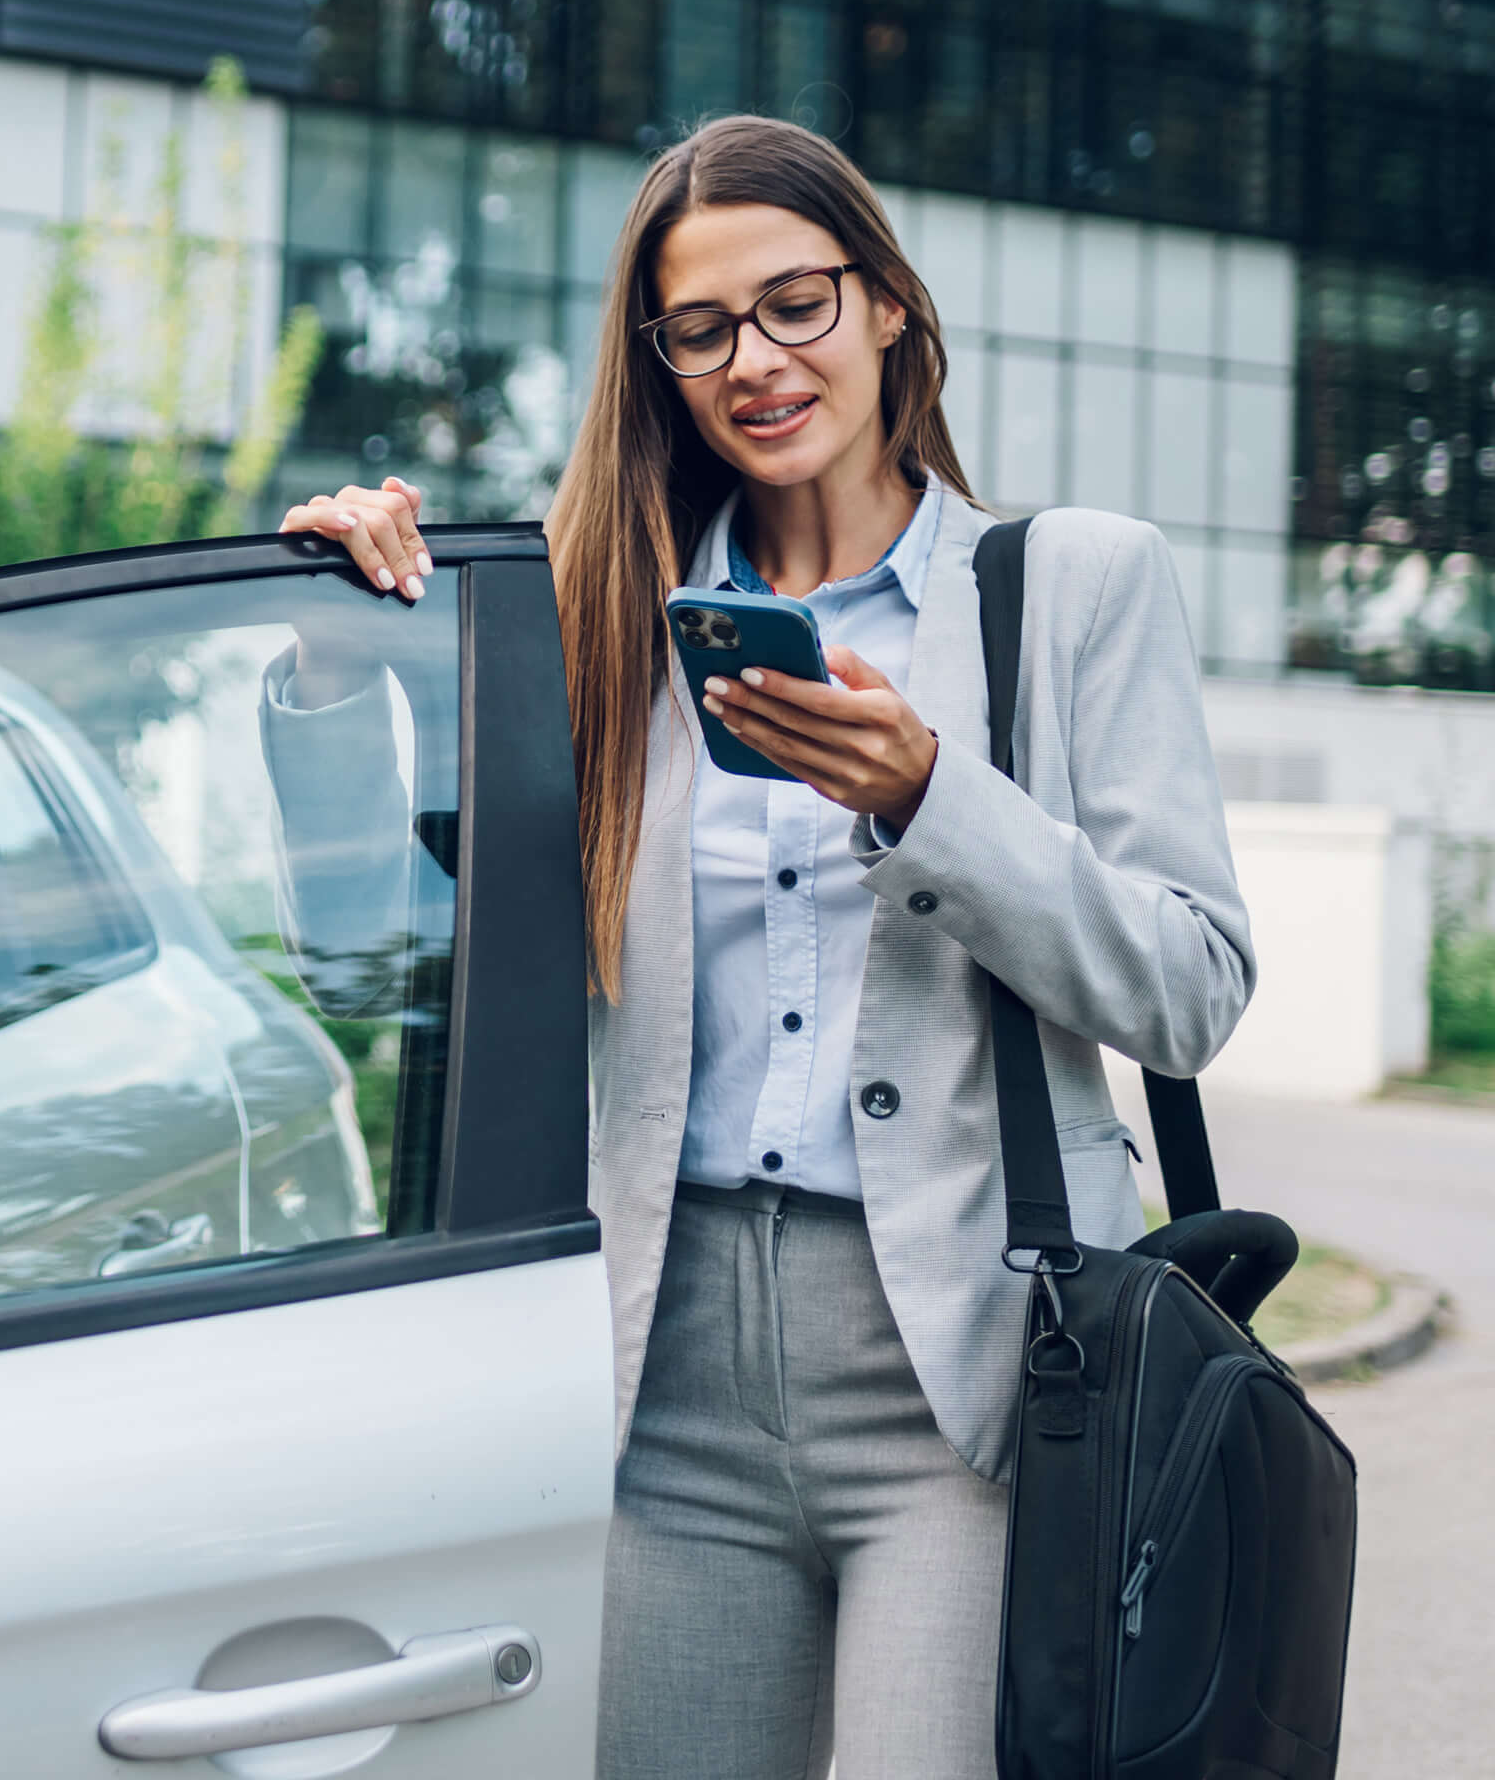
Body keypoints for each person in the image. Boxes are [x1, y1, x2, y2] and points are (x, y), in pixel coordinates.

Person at [267, 116, 1252, 1779]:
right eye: (702, 328)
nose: (757, 360)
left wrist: (932, 799)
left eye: (797, 303)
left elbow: (1192, 989)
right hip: (665, 1373)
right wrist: (327, 678)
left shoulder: (1071, 587)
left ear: (888, 303)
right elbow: (375, 978)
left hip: (976, 1376)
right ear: (657, 362)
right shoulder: (592, 619)